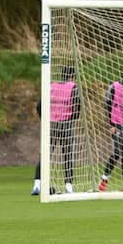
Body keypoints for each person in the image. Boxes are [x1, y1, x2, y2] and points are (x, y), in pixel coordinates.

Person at [36, 65, 80, 195]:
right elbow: (77, 107)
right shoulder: (73, 87)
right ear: (72, 76)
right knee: (67, 155)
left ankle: (37, 184)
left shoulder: (51, 86)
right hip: (65, 124)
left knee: (45, 154)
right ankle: (68, 186)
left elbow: (39, 105)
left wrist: (44, 119)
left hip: (51, 124)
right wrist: (72, 119)